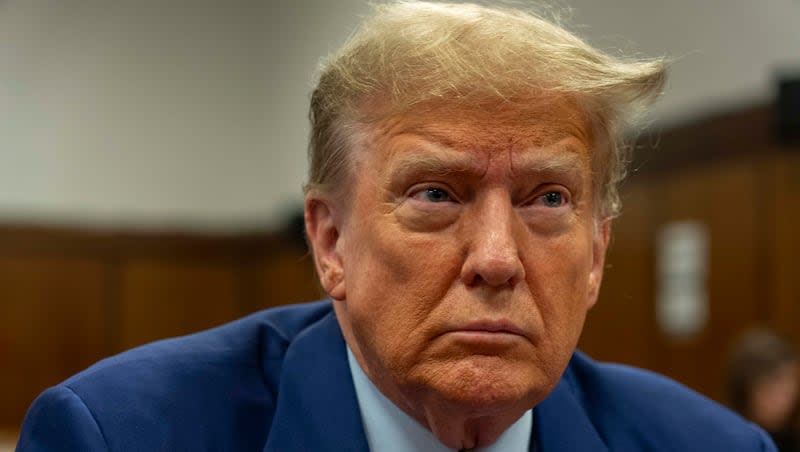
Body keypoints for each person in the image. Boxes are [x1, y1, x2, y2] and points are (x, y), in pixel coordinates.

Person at [18, 2, 776, 451]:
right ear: (330, 241)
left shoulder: (712, 447)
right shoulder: (123, 438)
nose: (496, 259)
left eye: (548, 199)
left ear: (597, 255)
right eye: (437, 194)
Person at [727, 329, 800, 452]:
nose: (787, 395)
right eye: (774, 383)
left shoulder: (794, 438)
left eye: (791, 381)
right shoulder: (726, 436)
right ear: (746, 388)